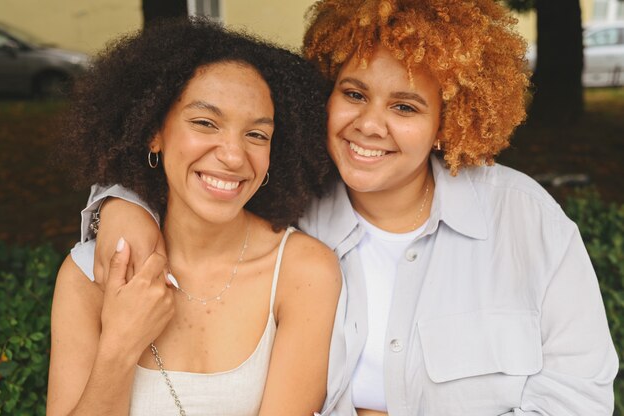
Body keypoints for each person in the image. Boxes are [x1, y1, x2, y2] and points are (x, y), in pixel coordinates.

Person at [75, 1, 619, 415]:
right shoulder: (288, 200)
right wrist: (122, 204)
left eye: (405, 106)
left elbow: (578, 394)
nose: (370, 125)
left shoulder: (527, 222)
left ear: (447, 124)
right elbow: (198, 181)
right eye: (354, 94)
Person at [46, 18, 342, 415]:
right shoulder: (86, 276)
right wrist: (120, 345)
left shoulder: (303, 272)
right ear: (154, 132)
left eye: (257, 134)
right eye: (205, 123)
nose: (234, 156)